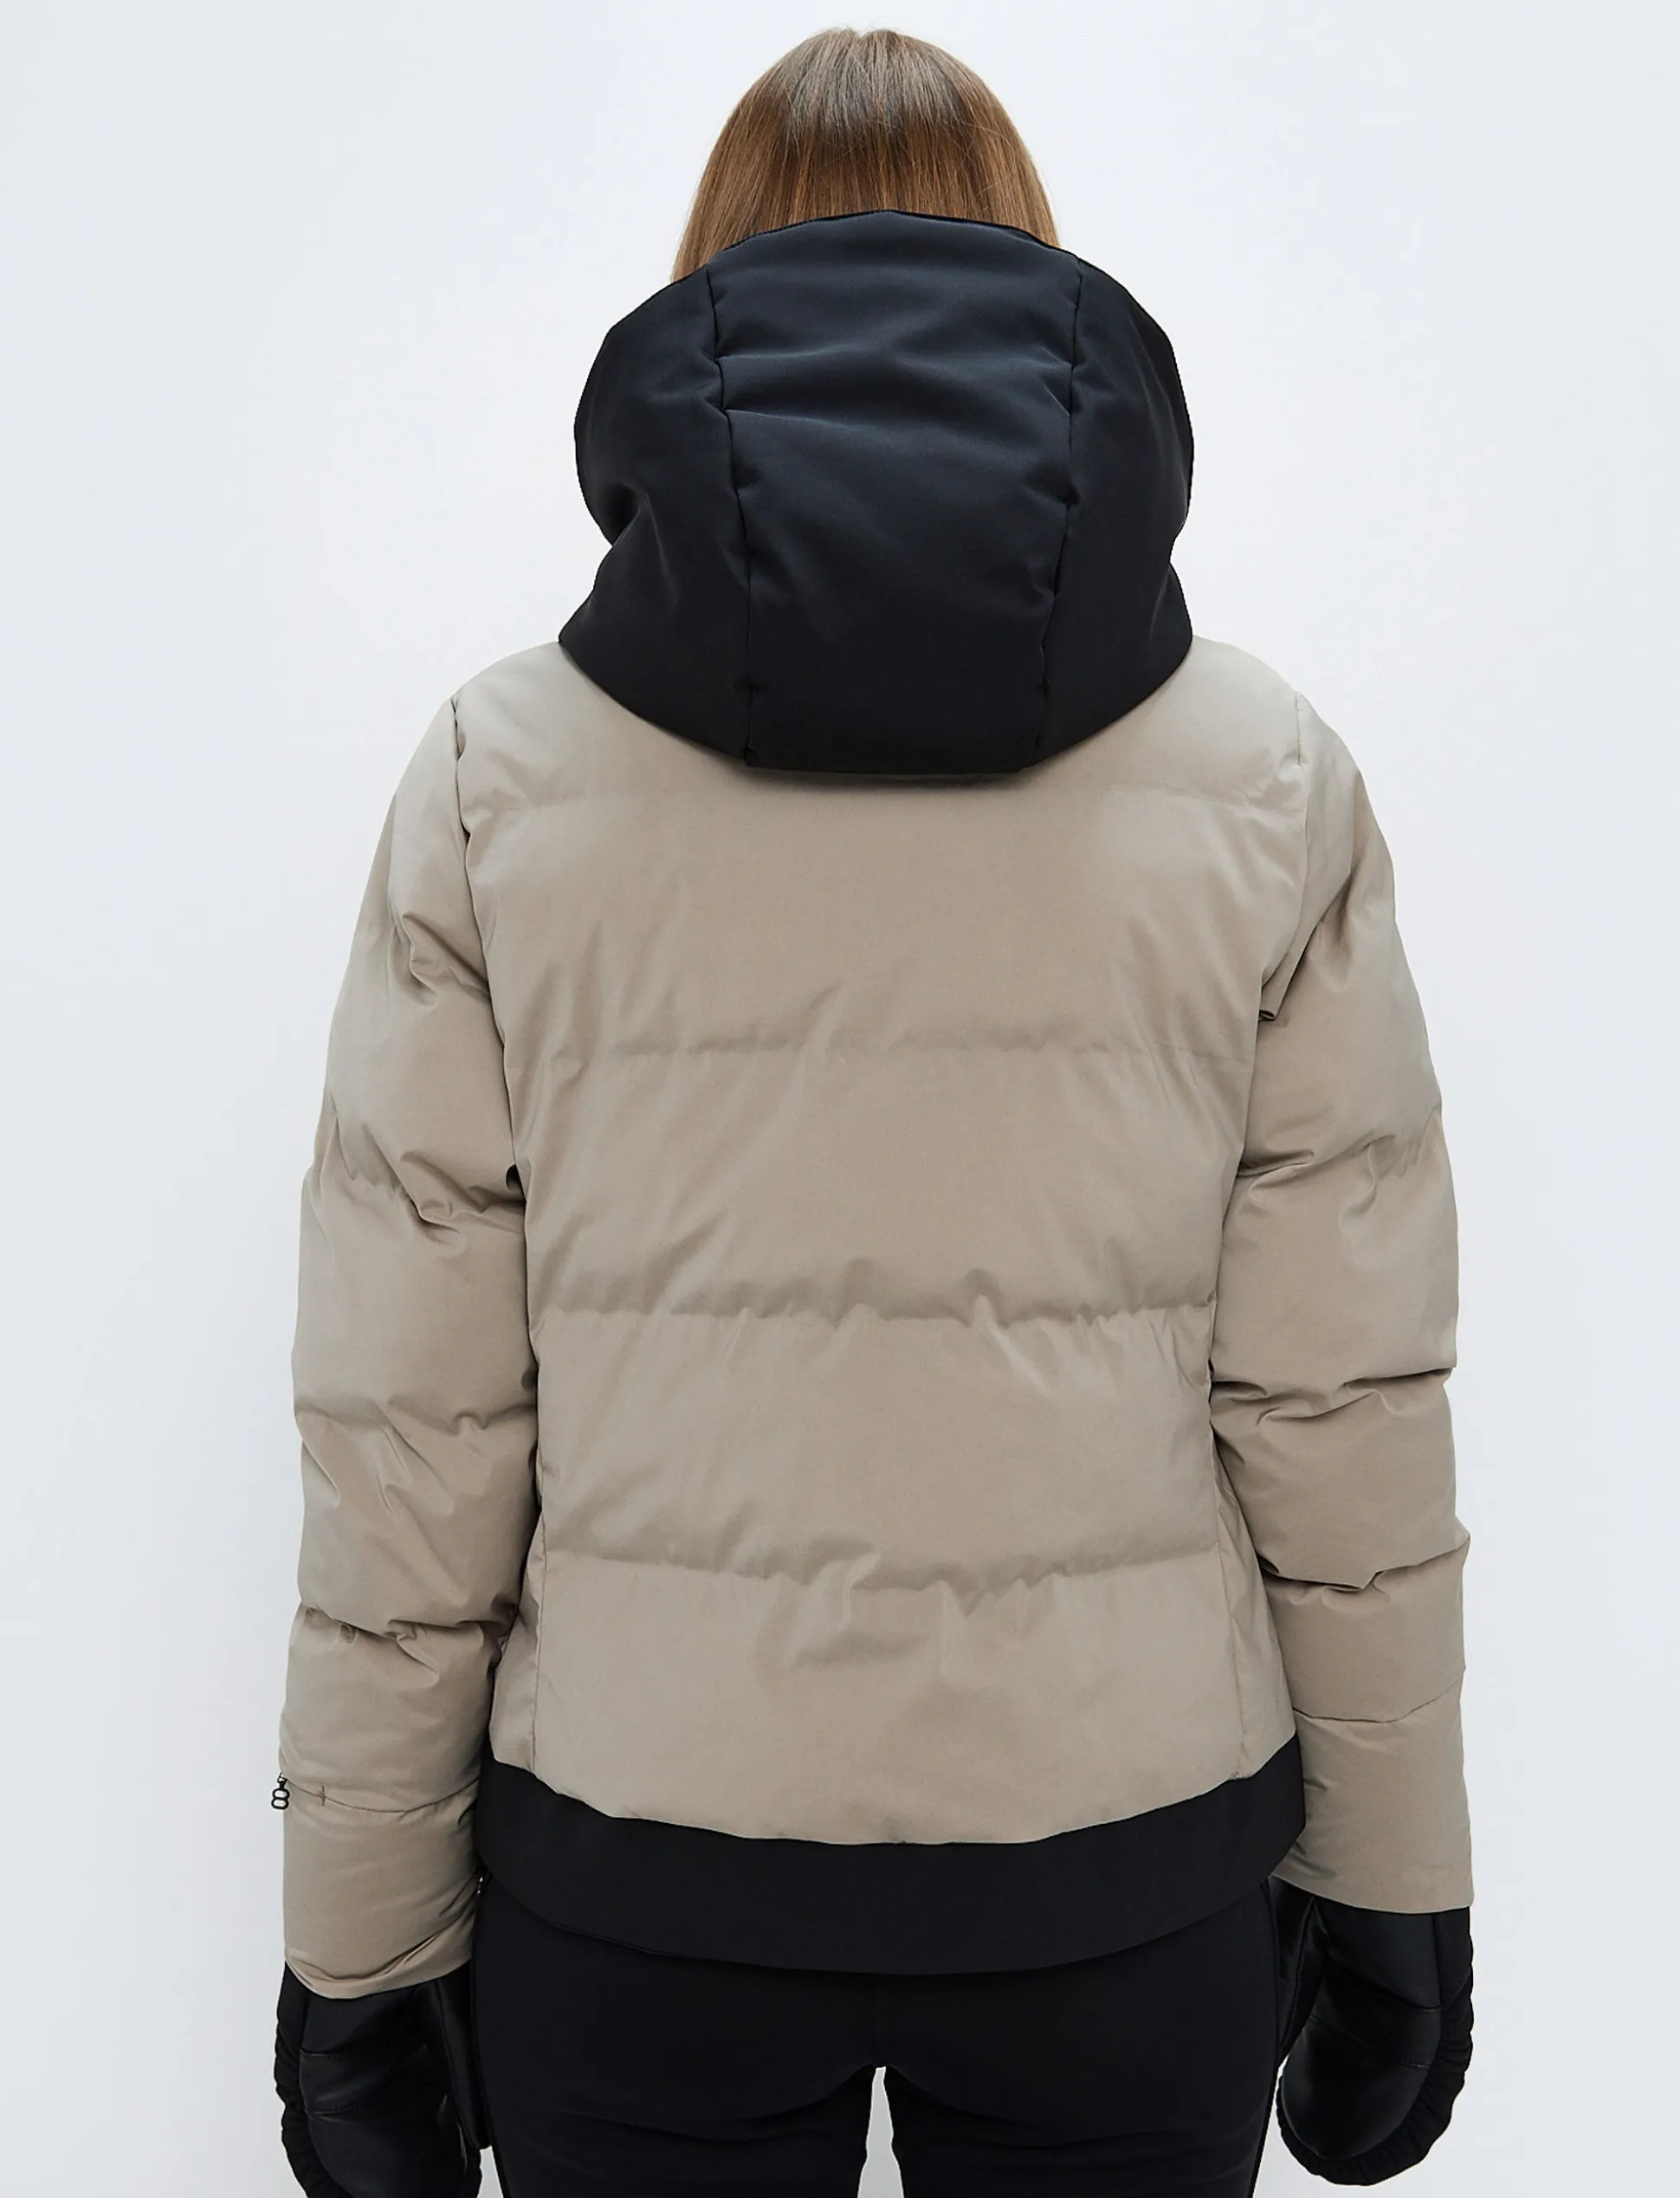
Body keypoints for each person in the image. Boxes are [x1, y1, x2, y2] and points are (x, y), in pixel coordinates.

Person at [271, 28, 1474, 2198]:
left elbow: (412, 1428)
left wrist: (357, 1950)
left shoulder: (497, 783)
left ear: (706, 301)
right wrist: (1395, 1880)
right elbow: (1339, 1404)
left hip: (641, 1885)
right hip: (1122, 1886)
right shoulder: (1263, 780)